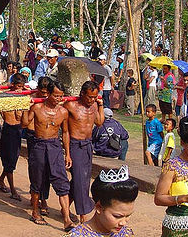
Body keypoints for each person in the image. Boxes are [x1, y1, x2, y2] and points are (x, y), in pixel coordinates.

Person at [22, 80, 74, 230]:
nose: (58, 99)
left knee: (62, 182)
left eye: (61, 96)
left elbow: (65, 133)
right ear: (49, 94)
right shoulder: (37, 108)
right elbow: (25, 124)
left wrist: (68, 154)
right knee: (37, 180)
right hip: (39, 145)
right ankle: (35, 211)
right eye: (56, 96)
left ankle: (67, 219)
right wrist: (27, 107)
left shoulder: (63, 112)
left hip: (55, 146)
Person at [64, 81, 105, 222]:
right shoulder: (71, 105)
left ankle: (65, 208)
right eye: (89, 97)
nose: (91, 100)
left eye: (94, 97)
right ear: (82, 94)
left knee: (83, 179)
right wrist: (67, 153)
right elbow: (66, 131)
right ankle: (83, 216)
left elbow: (99, 122)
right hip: (75, 145)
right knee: (80, 180)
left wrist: (100, 104)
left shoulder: (94, 105)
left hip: (88, 145)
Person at [68, 165, 138, 237]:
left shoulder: (126, 233)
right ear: (98, 207)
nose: (123, 223)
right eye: (117, 216)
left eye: (128, 216)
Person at [23, 76, 52, 215]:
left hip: (47, 138)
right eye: (42, 92)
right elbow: (25, 122)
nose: (45, 95)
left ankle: (43, 198)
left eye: (47, 93)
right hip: (33, 135)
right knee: (35, 168)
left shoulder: (52, 99)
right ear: (38, 89)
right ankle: (36, 196)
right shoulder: (32, 98)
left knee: (47, 169)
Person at [0, 73, 26, 201]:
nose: (20, 89)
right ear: (13, 85)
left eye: (22, 86)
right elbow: (9, 115)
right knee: (10, 160)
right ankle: (13, 189)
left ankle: (1, 180)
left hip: (16, 129)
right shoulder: (7, 95)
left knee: (12, 159)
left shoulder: (22, 95)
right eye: (18, 86)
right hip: (9, 129)